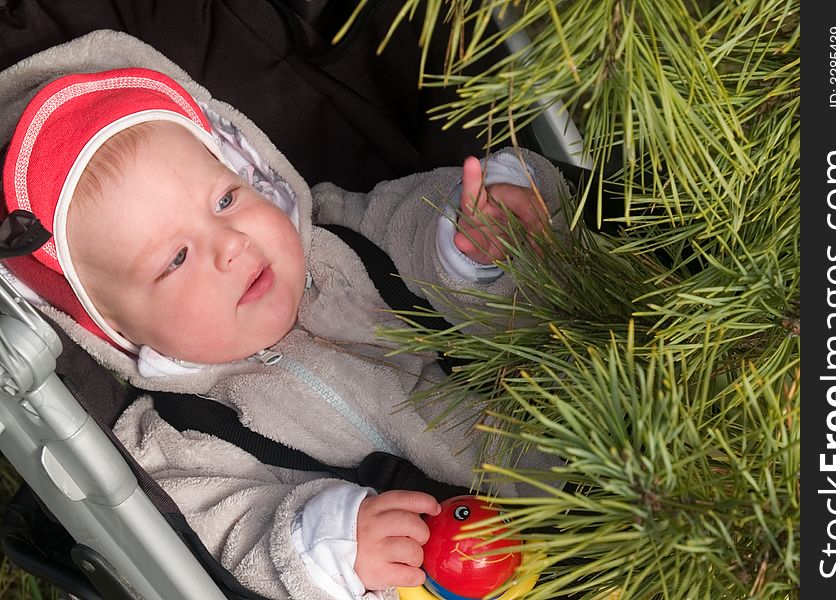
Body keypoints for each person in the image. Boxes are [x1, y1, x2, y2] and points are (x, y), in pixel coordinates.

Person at [0, 31, 567, 600]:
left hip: (585, 463)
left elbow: (433, 228)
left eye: (225, 200)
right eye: (175, 258)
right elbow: (235, 544)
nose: (230, 243)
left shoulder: (351, 236)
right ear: (112, 329)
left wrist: (473, 248)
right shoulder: (176, 441)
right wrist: (331, 546)